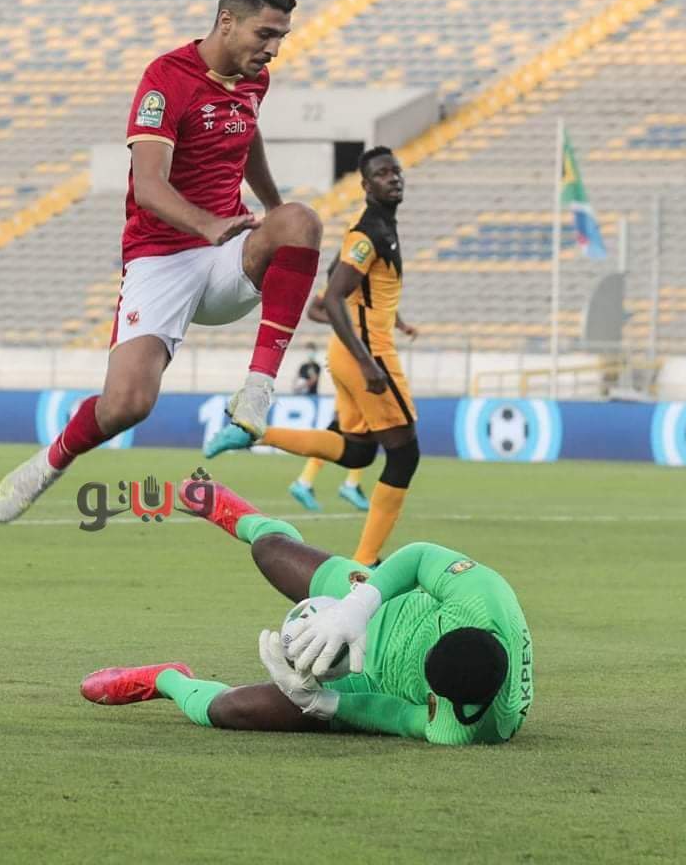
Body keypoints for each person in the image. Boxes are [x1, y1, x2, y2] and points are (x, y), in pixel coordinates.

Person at [0, 0, 321, 523]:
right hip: (162, 258)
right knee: (127, 405)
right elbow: (148, 185)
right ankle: (49, 461)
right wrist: (206, 223)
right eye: (265, 34)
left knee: (302, 221)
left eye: (281, 37)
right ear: (226, 21)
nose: (274, 49)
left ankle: (257, 390)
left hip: (225, 254)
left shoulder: (254, 79)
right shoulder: (166, 78)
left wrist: (273, 208)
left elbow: (247, 136)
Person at [80, 476, 533, 746]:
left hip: (370, 683)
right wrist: (356, 608)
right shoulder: (484, 597)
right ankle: (241, 517)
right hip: (385, 609)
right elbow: (418, 557)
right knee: (270, 552)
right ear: (466, 628)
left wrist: (323, 702)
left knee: (232, 711)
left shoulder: (464, 728)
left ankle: (165, 679)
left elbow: (397, 715)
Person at [206, 146, 417, 565]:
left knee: (358, 452)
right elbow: (333, 298)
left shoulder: (377, 228)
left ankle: (256, 434)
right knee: (404, 454)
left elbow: (330, 295)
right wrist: (366, 361)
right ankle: (366, 562)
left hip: (354, 351)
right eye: (382, 174)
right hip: (368, 353)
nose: (393, 178)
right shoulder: (369, 233)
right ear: (365, 185)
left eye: (396, 171)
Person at [289, 268, 370, 513]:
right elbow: (313, 310)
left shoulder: (364, 289)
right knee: (367, 425)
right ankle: (349, 484)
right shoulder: (345, 287)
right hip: (352, 362)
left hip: (350, 361)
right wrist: (340, 320)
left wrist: (402, 325)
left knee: (343, 426)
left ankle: (306, 481)